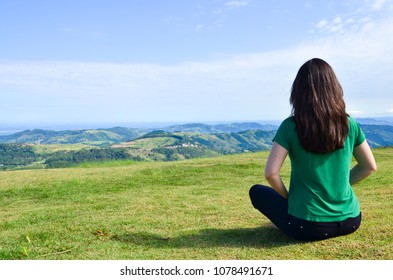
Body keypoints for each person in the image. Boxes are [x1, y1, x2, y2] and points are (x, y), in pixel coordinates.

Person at [249, 58, 377, 241]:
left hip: (308, 226)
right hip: (352, 221)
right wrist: (339, 185)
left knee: (257, 192)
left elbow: (271, 173)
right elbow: (369, 167)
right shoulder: (350, 124)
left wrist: (289, 197)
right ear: (334, 88)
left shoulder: (290, 126)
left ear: (298, 91)